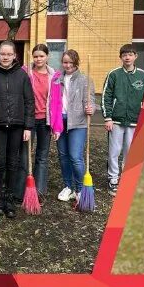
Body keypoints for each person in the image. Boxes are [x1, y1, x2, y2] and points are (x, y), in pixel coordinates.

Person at [0, 40, 34, 218]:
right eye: (3, 54)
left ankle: (9, 199)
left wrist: (28, 126)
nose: (5, 57)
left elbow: (29, 102)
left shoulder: (22, 75)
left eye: (9, 54)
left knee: (13, 162)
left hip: (17, 125)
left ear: (14, 56)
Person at [101, 44, 144, 196]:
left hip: (135, 120)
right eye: (124, 55)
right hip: (116, 120)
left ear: (136, 56)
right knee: (114, 151)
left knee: (131, 151)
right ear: (120, 57)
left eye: (130, 54)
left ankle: (127, 179)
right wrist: (108, 117)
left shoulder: (143, 76)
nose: (127, 57)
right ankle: (113, 179)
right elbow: (106, 96)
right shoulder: (114, 74)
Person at [50, 50, 95, 202]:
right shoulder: (57, 79)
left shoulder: (85, 80)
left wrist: (90, 108)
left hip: (78, 123)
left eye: (70, 62)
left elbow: (90, 100)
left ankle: (80, 189)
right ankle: (68, 186)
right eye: (65, 62)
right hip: (60, 122)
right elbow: (52, 100)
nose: (68, 65)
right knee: (63, 156)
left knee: (75, 157)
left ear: (76, 63)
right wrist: (53, 123)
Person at [21, 44, 59, 197]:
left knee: (42, 156)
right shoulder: (26, 73)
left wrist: (56, 125)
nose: (38, 59)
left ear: (47, 56)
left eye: (41, 56)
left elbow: (57, 102)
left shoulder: (54, 76)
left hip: (45, 121)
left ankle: (39, 190)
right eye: (35, 56)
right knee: (24, 156)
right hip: (28, 121)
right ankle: (22, 189)